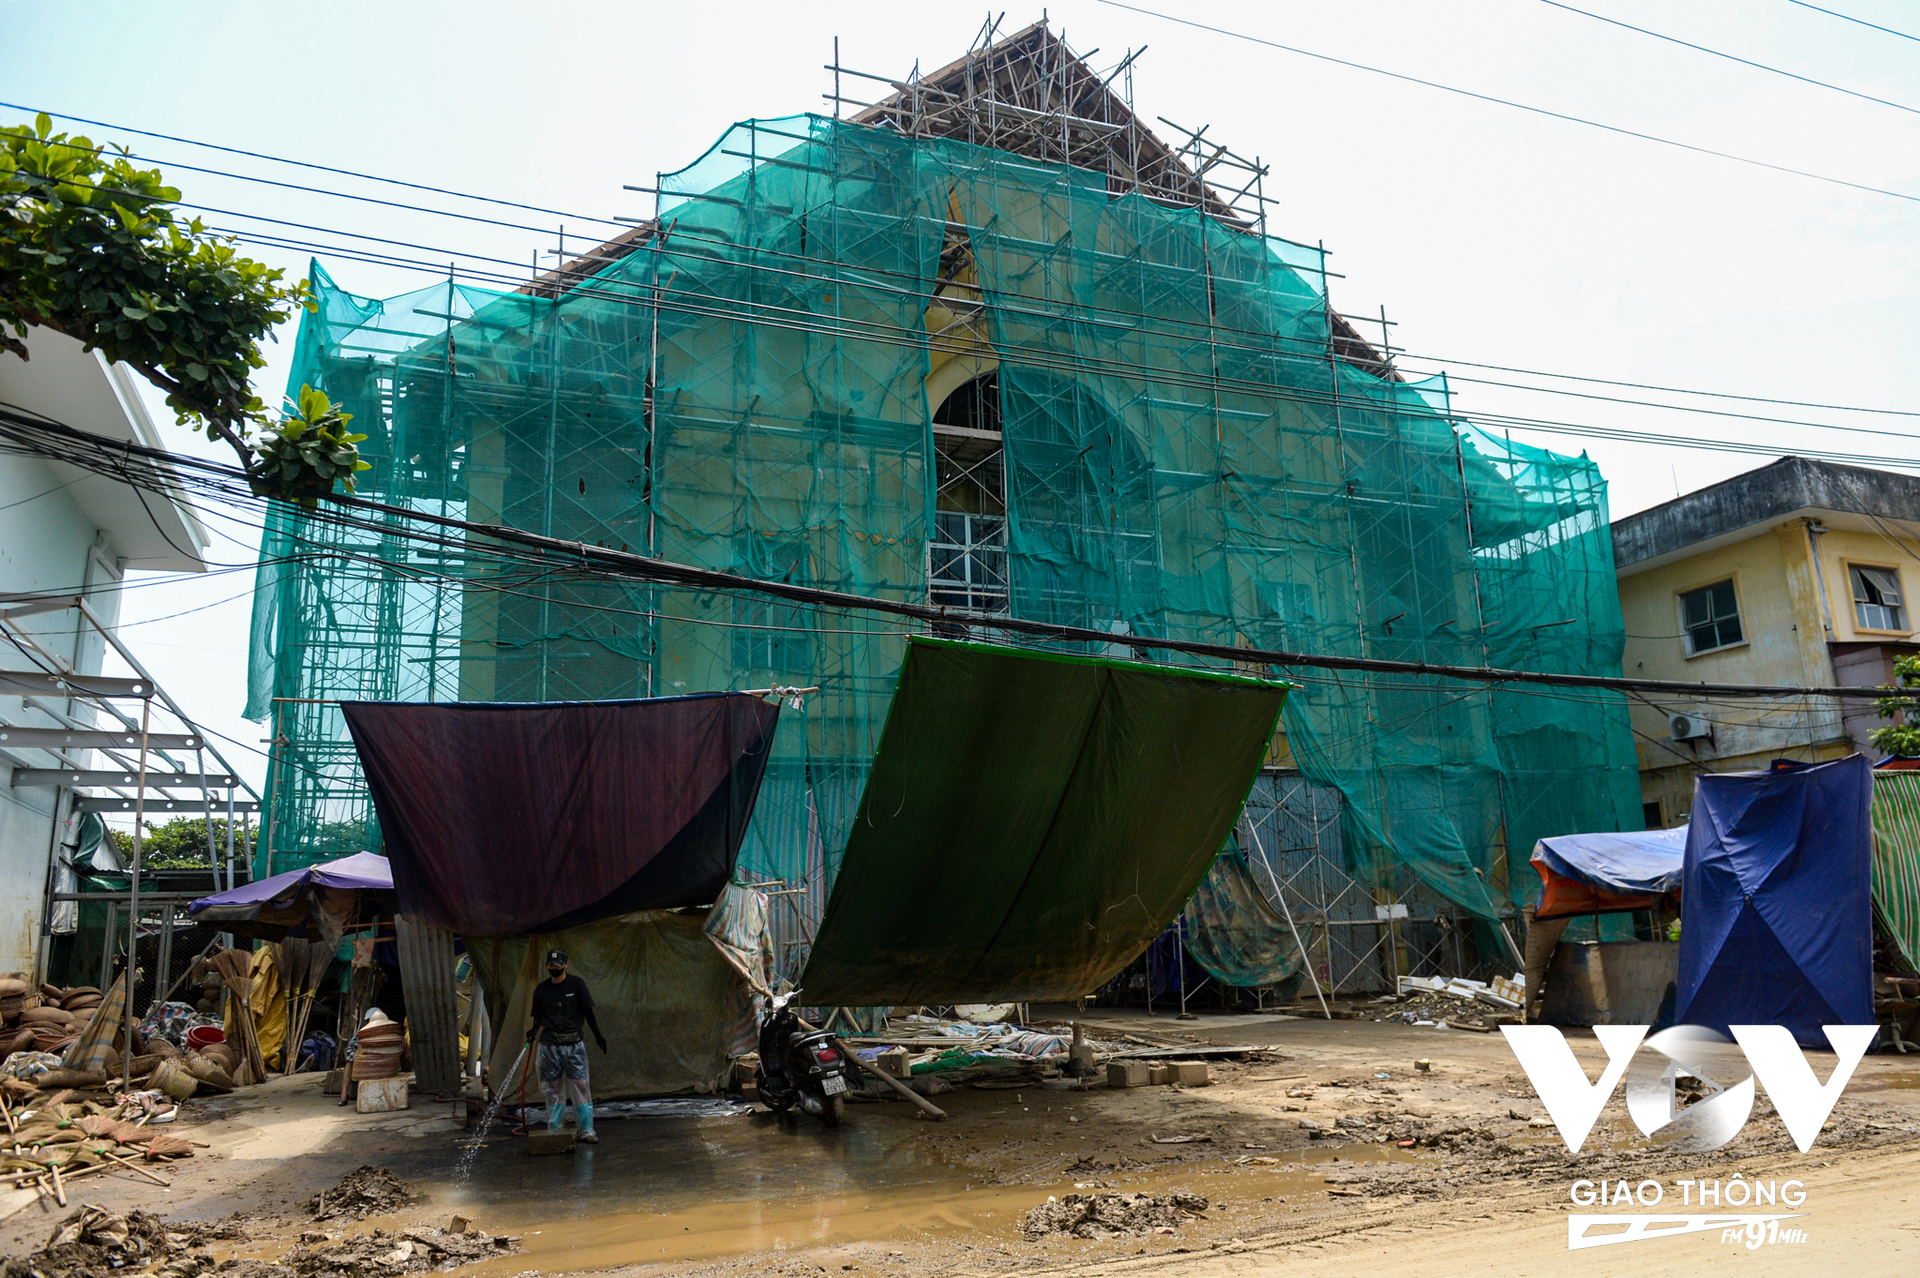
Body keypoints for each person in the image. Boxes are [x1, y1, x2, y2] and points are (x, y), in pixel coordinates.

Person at [526, 948, 608, 1142]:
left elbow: (588, 1012)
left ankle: (586, 1129)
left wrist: (598, 1035)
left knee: (579, 1084)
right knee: (553, 1087)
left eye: (558, 965)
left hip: (573, 1043)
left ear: (566, 965)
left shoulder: (576, 984)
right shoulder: (542, 989)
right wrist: (533, 1030)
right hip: (549, 1045)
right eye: (551, 965)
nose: (554, 968)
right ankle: (556, 1130)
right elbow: (538, 1016)